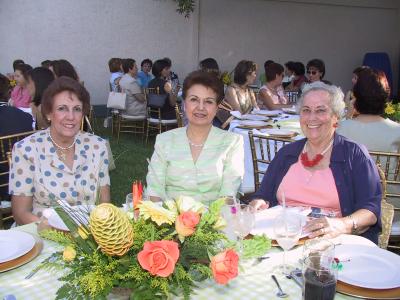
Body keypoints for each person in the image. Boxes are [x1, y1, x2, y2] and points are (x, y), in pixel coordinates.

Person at [248, 82, 381, 243]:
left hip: (334, 242)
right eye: (306, 110)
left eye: (321, 110)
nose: (312, 117)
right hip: (283, 240)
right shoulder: (286, 154)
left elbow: (371, 210)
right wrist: (259, 203)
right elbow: (263, 195)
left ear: (336, 117)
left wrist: (342, 224)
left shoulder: (355, 155)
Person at [9, 77, 110, 225]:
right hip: (43, 234)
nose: (70, 117)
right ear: (49, 113)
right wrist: (57, 232)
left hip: (90, 234)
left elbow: (104, 204)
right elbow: (20, 213)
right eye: (62, 108)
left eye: (77, 109)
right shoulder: (26, 150)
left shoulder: (98, 146)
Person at [146, 71, 244, 205]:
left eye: (209, 102)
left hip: (216, 220)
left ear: (217, 107)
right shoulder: (164, 140)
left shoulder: (232, 142)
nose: (201, 107)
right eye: (194, 99)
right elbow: (154, 191)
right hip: (168, 220)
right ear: (184, 104)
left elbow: (229, 194)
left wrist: (207, 223)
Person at [338, 68, 399, 152]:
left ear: (356, 96)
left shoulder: (340, 128)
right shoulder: (397, 130)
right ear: (385, 97)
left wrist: (348, 116)